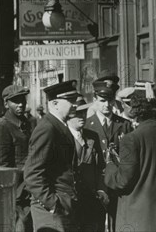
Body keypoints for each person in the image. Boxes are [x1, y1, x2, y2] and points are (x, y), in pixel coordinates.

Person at [104, 81, 156, 232]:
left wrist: (110, 164)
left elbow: (123, 181)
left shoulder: (131, 139)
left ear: (134, 108)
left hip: (137, 217)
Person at [24, 80, 80, 232]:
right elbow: (32, 173)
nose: (75, 104)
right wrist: (52, 203)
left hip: (63, 206)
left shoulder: (59, 126)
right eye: (70, 101)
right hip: (50, 212)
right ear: (55, 104)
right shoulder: (47, 128)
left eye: (75, 100)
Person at [84, 77, 132, 231]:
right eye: (102, 101)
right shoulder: (87, 125)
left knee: (118, 222)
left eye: (110, 101)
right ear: (95, 100)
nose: (107, 105)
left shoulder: (124, 124)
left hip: (118, 182)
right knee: (95, 223)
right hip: (96, 183)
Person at [0, 84, 35, 232]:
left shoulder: (26, 124)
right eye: (15, 100)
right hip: (17, 193)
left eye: (23, 100)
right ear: (6, 103)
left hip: (30, 189)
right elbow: (2, 165)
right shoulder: (3, 126)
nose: (21, 104)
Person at [68, 99, 108, 232]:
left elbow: (101, 167)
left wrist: (102, 189)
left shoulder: (92, 136)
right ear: (68, 115)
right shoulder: (62, 137)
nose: (82, 116)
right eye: (78, 113)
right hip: (71, 202)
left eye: (84, 112)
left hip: (92, 200)